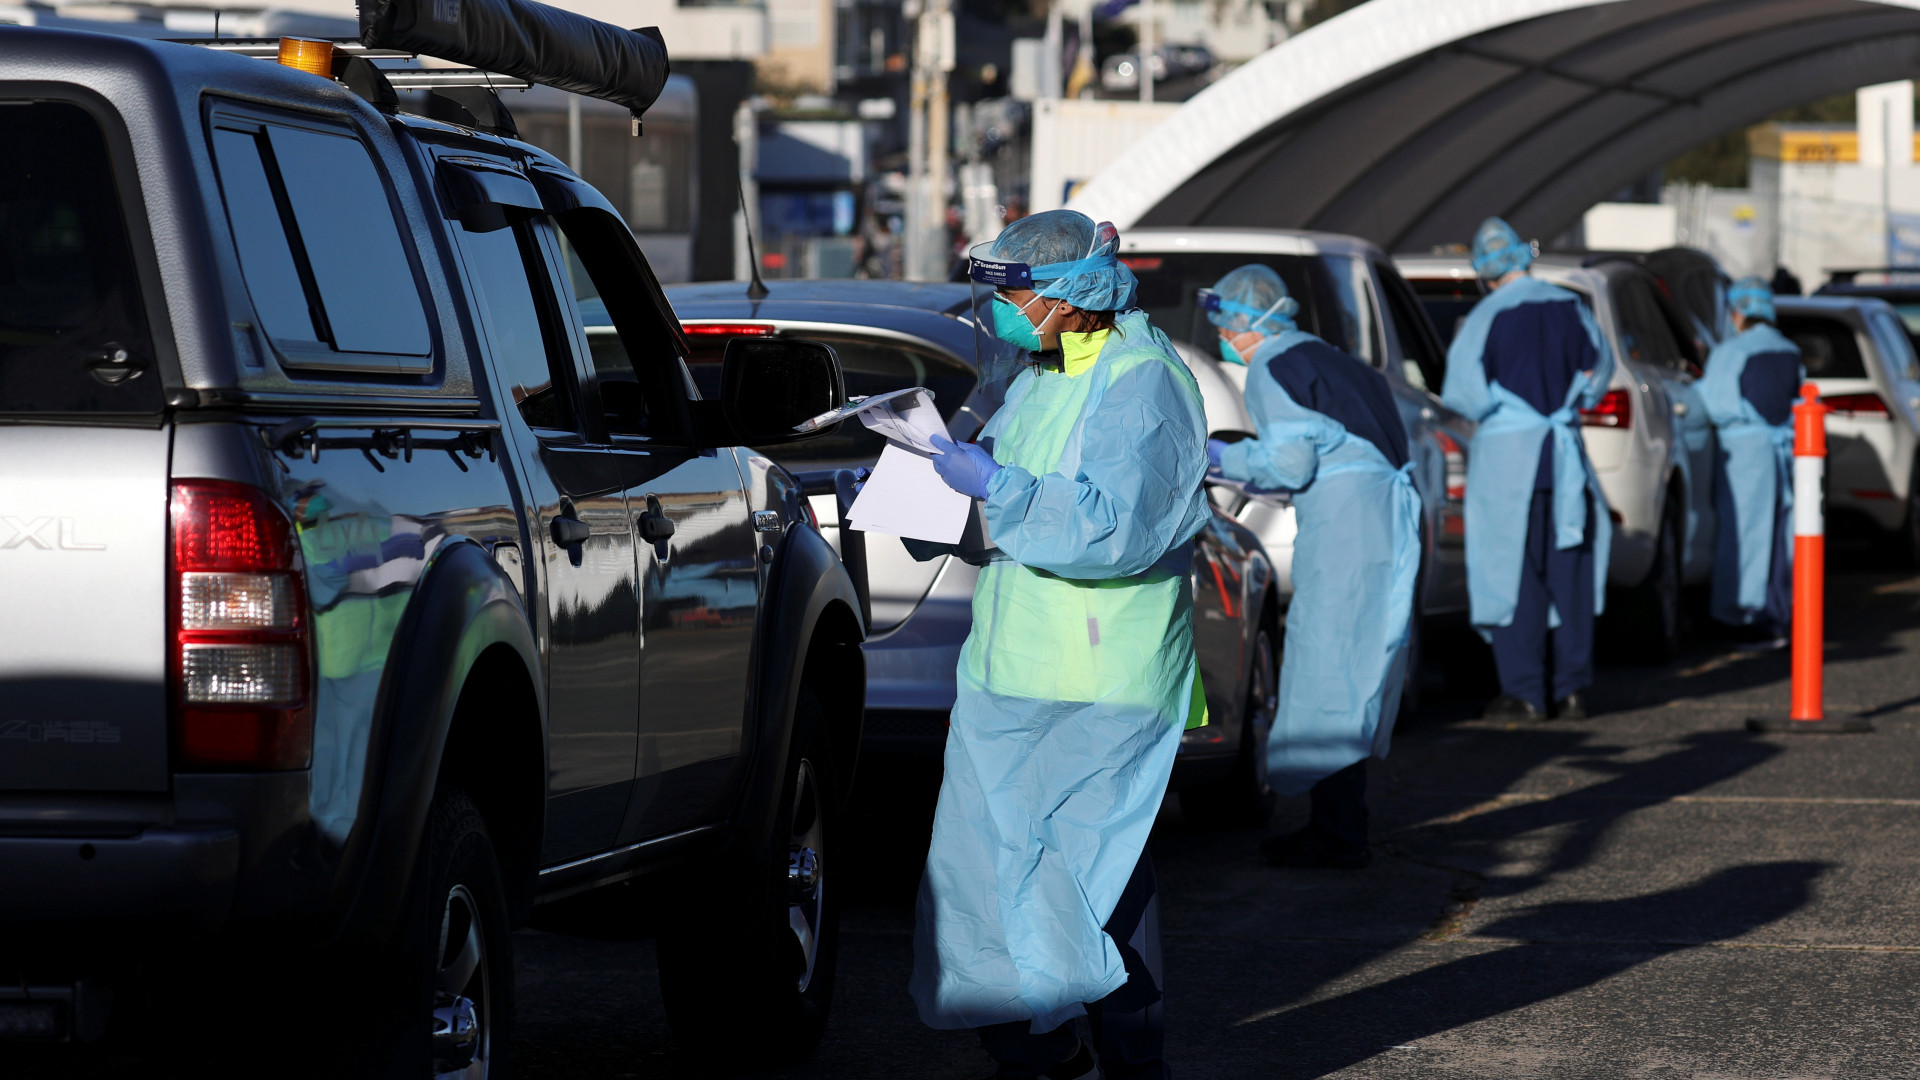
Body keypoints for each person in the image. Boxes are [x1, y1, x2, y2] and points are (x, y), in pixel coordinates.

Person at [909, 208, 1210, 1080]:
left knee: (1092, 887)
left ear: (1073, 294)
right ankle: (1038, 1052)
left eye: (1018, 293)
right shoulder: (1038, 374)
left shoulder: (1142, 382)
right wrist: (926, 504)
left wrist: (996, 486)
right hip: (1014, 665)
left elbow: (1114, 530)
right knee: (982, 879)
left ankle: (1125, 1060)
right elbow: (1008, 515)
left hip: (1103, 676)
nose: (1004, 312)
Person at [1201, 264, 1422, 870]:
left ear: (1248, 320)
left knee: (1329, 668)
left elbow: (1290, 463)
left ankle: (1337, 832)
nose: (1223, 332)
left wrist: (1218, 455)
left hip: (1346, 528)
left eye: (1225, 320)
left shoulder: (1271, 365)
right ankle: (1343, 822)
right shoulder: (1332, 357)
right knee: (1356, 666)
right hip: (1381, 523)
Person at [1441, 218, 1614, 722]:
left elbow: (1463, 394)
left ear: (1485, 269)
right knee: (1570, 575)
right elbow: (1597, 376)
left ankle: (1524, 693)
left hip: (1507, 466)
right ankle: (1573, 689)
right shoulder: (1570, 308)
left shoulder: (1483, 318)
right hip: (1562, 464)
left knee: (1514, 575)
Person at [1701, 276, 1803, 648]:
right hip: (1784, 453)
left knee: (1742, 537)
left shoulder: (1731, 352)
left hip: (1744, 457)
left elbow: (1714, 403)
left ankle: (1739, 614)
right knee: (1781, 535)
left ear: (1738, 312)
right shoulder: (1789, 349)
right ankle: (1776, 613)